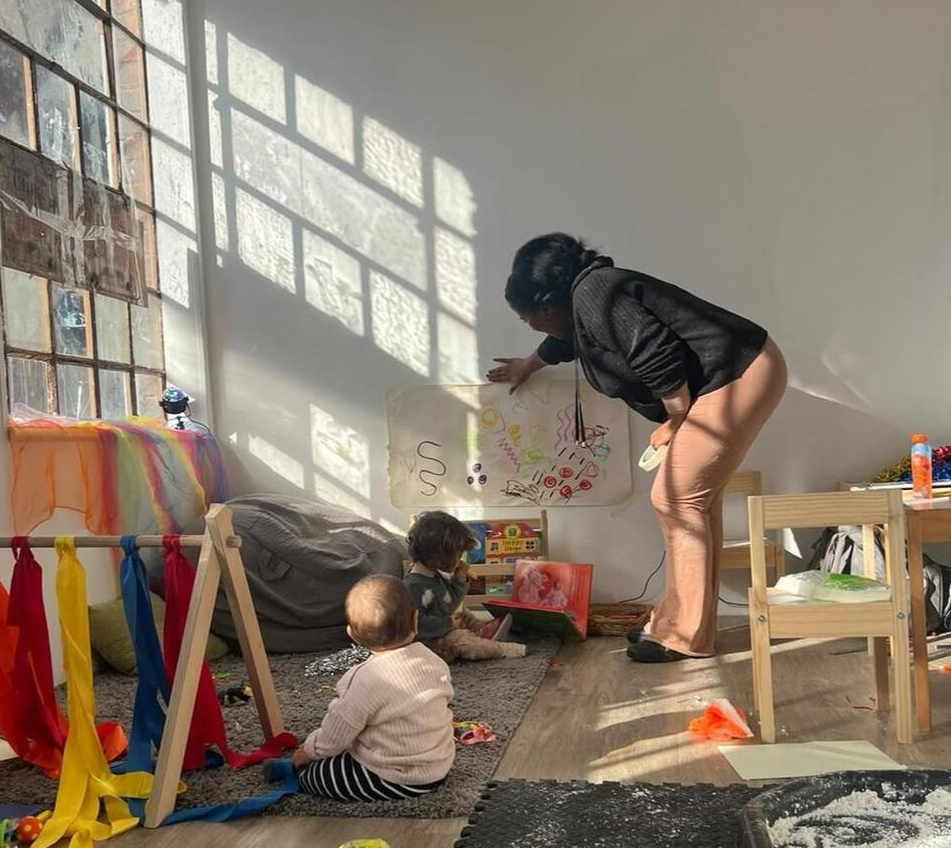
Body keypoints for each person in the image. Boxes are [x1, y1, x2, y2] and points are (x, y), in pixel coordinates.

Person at [487, 233, 787, 663]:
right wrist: (528, 365)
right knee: (692, 504)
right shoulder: (584, 304)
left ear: (547, 307)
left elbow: (654, 350)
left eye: (527, 318)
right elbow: (563, 344)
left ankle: (685, 635)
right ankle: (677, 624)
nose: (531, 326)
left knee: (676, 500)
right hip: (738, 372)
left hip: (736, 374)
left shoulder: (595, 293)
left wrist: (677, 419)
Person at [292, 575, 455, 800]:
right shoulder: (434, 662)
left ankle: (302, 776)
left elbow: (337, 733)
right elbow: (443, 700)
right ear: (415, 621)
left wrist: (308, 751)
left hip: (393, 778)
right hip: (438, 767)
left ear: (352, 635)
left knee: (317, 773)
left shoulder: (363, 678)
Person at [405, 511, 526, 661]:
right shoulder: (414, 586)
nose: (460, 560)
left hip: (443, 627)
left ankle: (482, 631)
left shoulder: (434, 575)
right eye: (457, 555)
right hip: (427, 646)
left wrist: (458, 581)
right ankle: (499, 649)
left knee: (463, 612)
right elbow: (417, 624)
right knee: (459, 638)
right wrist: (449, 624)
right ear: (438, 555)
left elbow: (450, 604)